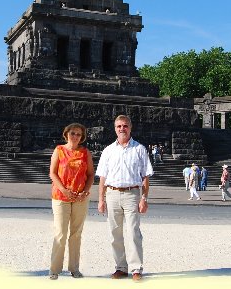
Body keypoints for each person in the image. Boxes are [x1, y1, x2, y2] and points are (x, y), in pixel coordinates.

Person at [96, 114, 153, 282]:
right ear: (115, 128)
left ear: (130, 127)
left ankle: (136, 268)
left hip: (132, 194)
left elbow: (145, 177)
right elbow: (103, 178)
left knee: (134, 232)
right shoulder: (108, 150)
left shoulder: (140, 149)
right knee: (115, 233)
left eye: (125, 126)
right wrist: (101, 199)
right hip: (112, 194)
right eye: (119, 126)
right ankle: (120, 267)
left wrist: (144, 199)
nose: (122, 129)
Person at [49, 123, 94, 280]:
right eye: (73, 133)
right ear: (66, 134)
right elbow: (53, 173)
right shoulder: (59, 150)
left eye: (79, 135)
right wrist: (64, 190)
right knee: (60, 233)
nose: (75, 136)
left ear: (82, 137)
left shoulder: (85, 152)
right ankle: (54, 269)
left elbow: (90, 175)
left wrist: (85, 192)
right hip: (61, 196)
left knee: (76, 234)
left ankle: (74, 268)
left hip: (80, 197)